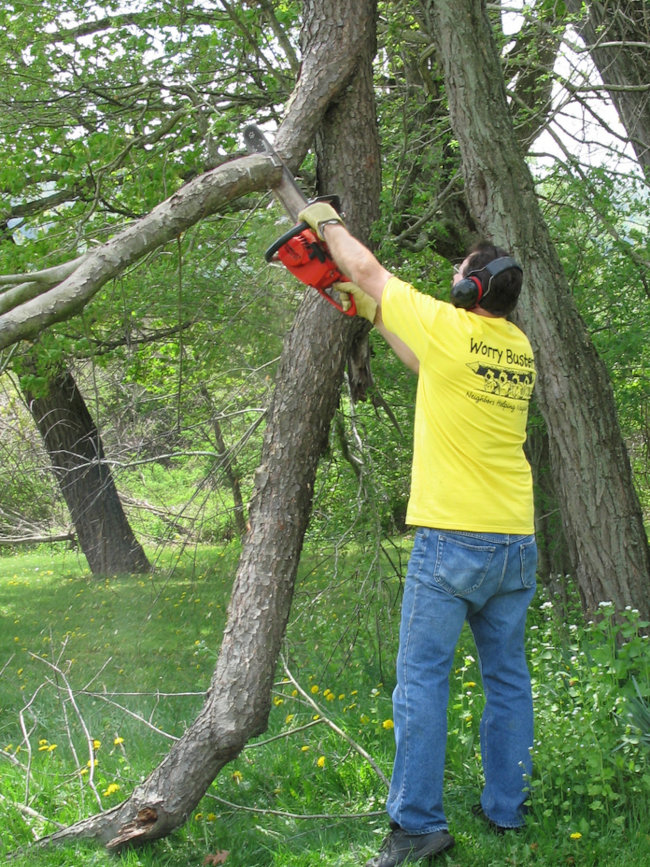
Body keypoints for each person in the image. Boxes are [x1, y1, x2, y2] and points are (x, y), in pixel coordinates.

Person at [298, 201, 538, 867]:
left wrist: (324, 220)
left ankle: (417, 824)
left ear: (470, 288)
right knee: (508, 679)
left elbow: (368, 269)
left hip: (453, 540)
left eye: (459, 272)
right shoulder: (518, 350)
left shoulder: (449, 325)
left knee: (422, 682)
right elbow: (426, 361)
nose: (451, 280)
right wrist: (374, 315)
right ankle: (507, 807)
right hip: (515, 539)